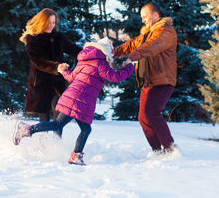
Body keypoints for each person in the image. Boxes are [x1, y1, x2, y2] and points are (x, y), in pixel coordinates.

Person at [13, 37, 135, 165]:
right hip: (77, 100)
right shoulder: (100, 63)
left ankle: (75, 156)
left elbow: (71, 77)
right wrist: (129, 66)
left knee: (85, 129)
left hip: (76, 98)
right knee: (58, 124)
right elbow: (115, 77)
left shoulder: (84, 61)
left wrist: (64, 71)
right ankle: (26, 129)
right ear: (106, 51)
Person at [113, 3, 177, 154]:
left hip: (163, 80)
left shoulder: (166, 32)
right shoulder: (147, 33)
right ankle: (157, 150)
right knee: (143, 117)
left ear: (155, 16)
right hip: (149, 81)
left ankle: (169, 147)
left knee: (152, 112)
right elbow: (131, 45)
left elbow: (152, 46)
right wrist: (111, 52)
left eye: (145, 17)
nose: (143, 21)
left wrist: (132, 58)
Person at [19, 8, 81, 127]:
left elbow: (75, 50)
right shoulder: (32, 39)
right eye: (48, 23)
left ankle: (56, 142)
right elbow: (37, 61)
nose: (51, 26)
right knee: (44, 116)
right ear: (42, 22)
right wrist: (57, 66)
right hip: (41, 82)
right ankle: (43, 143)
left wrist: (93, 53)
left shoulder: (59, 37)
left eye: (53, 22)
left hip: (58, 82)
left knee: (59, 113)